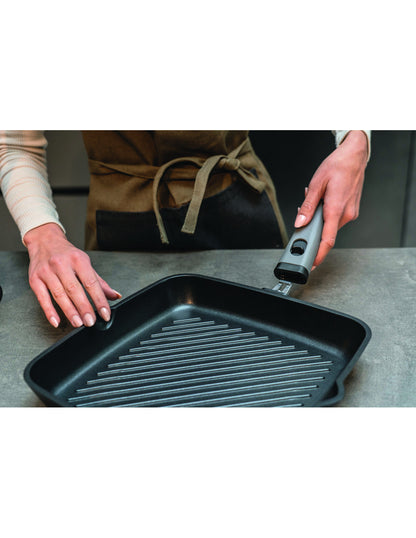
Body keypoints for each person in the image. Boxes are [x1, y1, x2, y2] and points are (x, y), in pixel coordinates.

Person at [0, 130, 370, 329]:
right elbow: (14, 146)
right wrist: (42, 234)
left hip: (237, 197)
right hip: (121, 218)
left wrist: (355, 140)